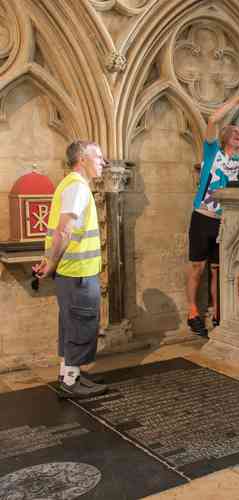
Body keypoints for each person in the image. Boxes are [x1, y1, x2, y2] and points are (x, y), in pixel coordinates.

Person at [33, 141, 108, 398]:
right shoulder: (77, 187)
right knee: (82, 323)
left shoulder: (70, 184)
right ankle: (71, 383)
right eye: (98, 157)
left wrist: (47, 259)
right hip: (77, 272)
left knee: (71, 323)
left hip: (73, 270)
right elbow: (65, 230)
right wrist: (51, 262)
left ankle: (69, 374)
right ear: (82, 159)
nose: (103, 162)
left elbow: (57, 230)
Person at [186, 94, 239, 337]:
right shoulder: (212, 152)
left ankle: (216, 314)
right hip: (203, 216)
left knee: (217, 269)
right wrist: (238, 100)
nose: (238, 136)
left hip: (223, 221)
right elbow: (213, 119)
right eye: (235, 133)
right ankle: (192, 312)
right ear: (223, 138)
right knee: (198, 266)